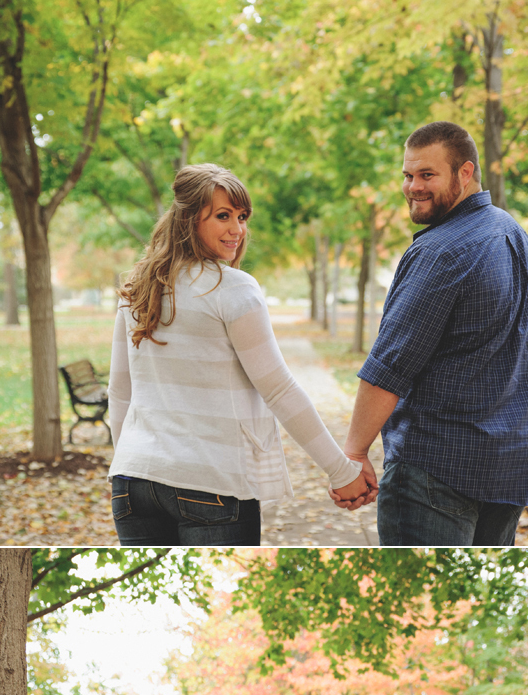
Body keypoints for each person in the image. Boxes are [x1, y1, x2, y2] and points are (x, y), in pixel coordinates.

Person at [106, 162, 374, 546]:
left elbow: (119, 392)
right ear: (188, 221)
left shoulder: (137, 286)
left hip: (132, 485)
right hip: (210, 484)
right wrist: (340, 471)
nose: (237, 229)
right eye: (222, 216)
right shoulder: (232, 289)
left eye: (242, 216)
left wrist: (130, 459)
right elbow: (278, 389)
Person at [333, 119, 528, 548]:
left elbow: (389, 367)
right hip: (509, 467)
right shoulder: (514, 234)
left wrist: (353, 455)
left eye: (428, 175)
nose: (413, 187)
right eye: (408, 176)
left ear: (465, 173)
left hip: (435, 471)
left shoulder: (439, 250)